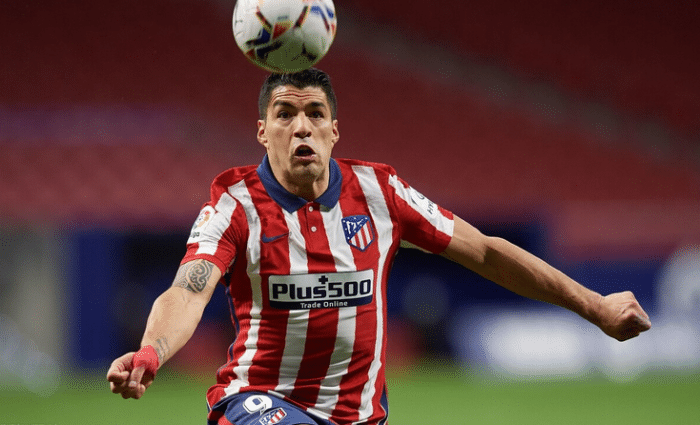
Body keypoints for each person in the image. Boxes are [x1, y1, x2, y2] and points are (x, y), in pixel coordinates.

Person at [107, 68, 651, 425]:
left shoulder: (379, 192)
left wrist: (595, 305)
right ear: (262, 132)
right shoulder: (234, 205)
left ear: (334, 130)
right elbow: (188, 290)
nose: (301, 127)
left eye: (315, 114)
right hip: (258, 402)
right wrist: (152, 351)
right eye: (285, 114)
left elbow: (484, 251)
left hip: (360, 415)